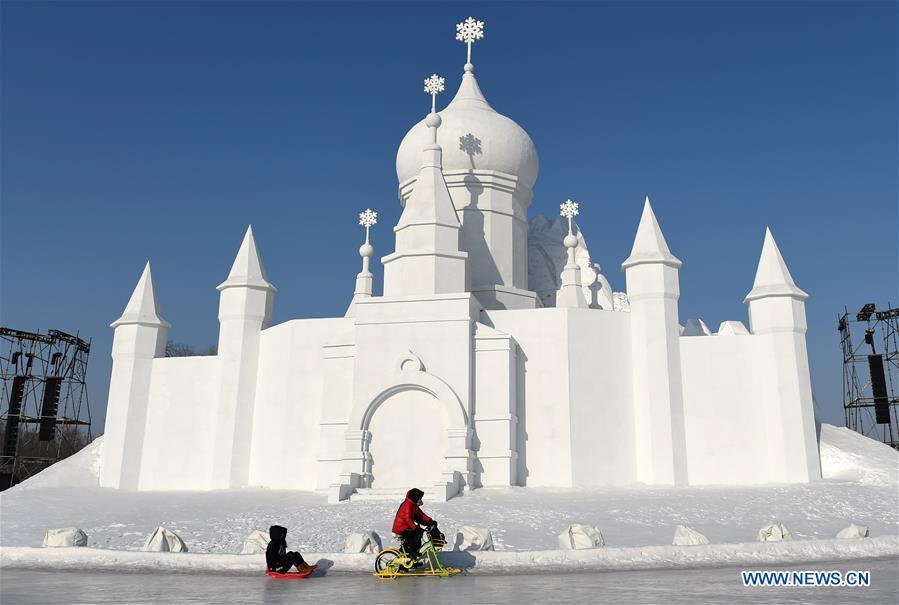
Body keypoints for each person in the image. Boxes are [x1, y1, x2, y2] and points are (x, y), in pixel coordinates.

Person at [392, 488, 437, 560]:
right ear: (415, 497)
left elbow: (421, 515)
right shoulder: (408, 504)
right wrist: (415, 528)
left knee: (419, 533)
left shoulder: (413, 505)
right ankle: (410, 553)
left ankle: (413, 558)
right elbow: (408, 519)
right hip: (400, 528)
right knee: (415, 534)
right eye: (419, 498)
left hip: (406, 526)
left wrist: (430, 521)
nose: (420, 500)